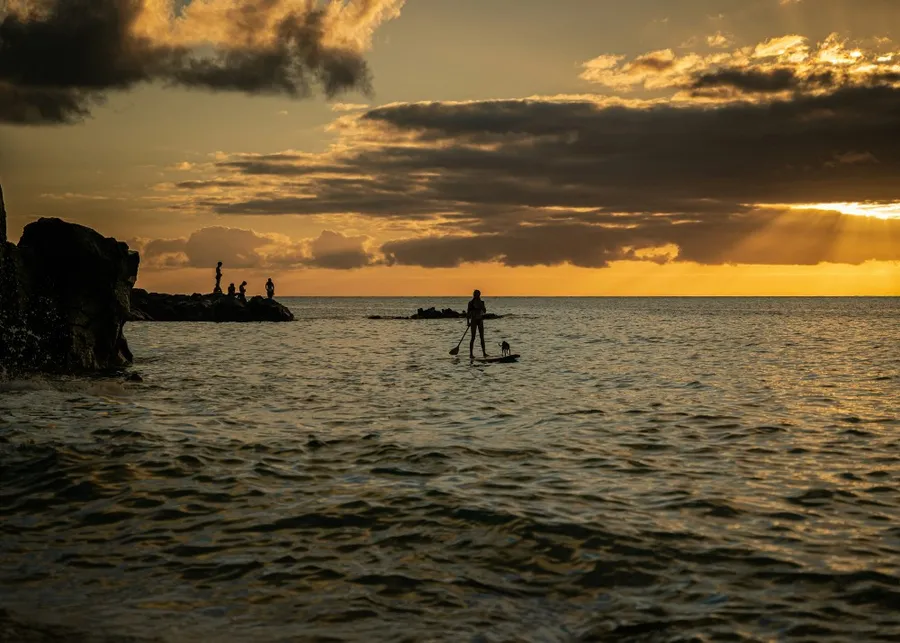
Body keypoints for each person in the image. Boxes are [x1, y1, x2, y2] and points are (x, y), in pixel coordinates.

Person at [467, 289, 488, 359]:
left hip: (480, 320)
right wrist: (468, 322)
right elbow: (468, 313)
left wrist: (482, 306)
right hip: (473, 321)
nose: (477, 295)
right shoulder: (471, 303)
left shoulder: (482, 302)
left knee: (482, 337)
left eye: (478, 294)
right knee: (473, 337)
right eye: (476, 294)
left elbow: (484, 311)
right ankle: (471, 354)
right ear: (474, 295)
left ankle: (484, 353)